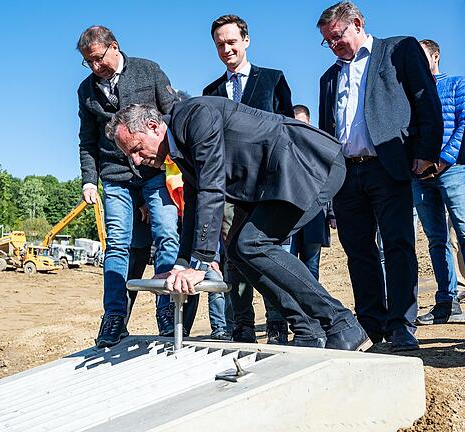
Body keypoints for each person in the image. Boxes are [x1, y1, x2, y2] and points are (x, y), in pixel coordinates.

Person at [106, 98, 372, 351]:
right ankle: (307, 328)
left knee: (253, 243)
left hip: (309, 163)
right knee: (237, 248)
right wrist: (182, 263)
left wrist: (201, 262)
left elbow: (212, 187)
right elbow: (194, 203)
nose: (137, 161)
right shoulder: (178, 147)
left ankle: (342, 323)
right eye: (131, 156)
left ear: (153, 127)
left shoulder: (194, 116)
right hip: (274, 182)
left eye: (137, 149)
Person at [316, 1, 442, 351]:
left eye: (337, 36)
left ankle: (402, 323)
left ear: (357, 23)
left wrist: (426, 151)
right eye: (327, 41)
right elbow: (329, 130)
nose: (333, 45)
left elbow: (425, 101)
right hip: (346, 174)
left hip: (387, 166)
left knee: (398, 244)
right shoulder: (329, 77)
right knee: (358, 251)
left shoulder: (397, 51)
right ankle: (370, 323)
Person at [76, 25, 180, 348]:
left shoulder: (149, 71)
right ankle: (115, 317)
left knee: (166, 233)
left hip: (154, 171)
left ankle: (166, 311)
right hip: (115, 176)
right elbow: (87, 141)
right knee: (117, 243)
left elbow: (172, 116)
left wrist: (177, 169)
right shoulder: (86, 91)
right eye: (87, 62)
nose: (94, 67)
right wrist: (89, 181)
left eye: (97, 59)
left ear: (114, 47)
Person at [200, 14, 295, 345]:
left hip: (269, 187)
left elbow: (288, 133)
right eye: (219, 44)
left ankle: (277, 324)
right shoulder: (210, 92)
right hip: (231, 191)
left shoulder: (272, 80)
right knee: (234, 259)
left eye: (231, 41)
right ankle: (241, 326)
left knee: (272, 255)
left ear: (246, 40)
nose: (226, 49)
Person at [413, 39, 465, 325]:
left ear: (436, 56)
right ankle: (447, 301)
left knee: (464, 231)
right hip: (420, 177)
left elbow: (463, 122)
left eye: (424, 56)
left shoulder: (457, 85)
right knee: (436, 240)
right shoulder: (412, 94)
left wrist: (445, 158)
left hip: (453, 169)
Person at [289, 105, 336, 281]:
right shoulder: (285, 146)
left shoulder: (321, 146)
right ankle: (294, 309)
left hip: (315, 216)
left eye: (302, 122)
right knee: (289, 266)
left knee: (311, 268)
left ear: (309, 122)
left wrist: (331, 213)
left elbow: (330, 181)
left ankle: (311, 308)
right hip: (289, 218)